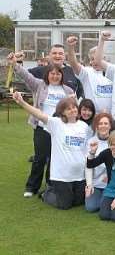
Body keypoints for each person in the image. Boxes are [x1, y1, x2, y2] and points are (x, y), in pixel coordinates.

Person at [8, 53, 74, 198]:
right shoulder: (39, 85)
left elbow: (72, 108)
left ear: (61, 76)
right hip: (42, 127)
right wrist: (15, 63)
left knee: (55, 158)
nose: (55, 76)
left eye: (58, 74)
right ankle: (32, 187)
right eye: (52, 73)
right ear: (47, 74)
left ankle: (51, 185)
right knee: (40, 157)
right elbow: (26, 76)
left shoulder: (67, 91)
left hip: (60, 128)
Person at [13, 93, 90, 209]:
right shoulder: (56, 123)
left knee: (79, 201)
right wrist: (22, 102)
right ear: (62, 112)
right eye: (68, 109)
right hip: (62, 175)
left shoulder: (83, 126)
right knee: (65, 204)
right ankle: (47, 193)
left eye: (74, 107)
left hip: (79, 175)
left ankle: (62, 192)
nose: (72, 110)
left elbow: (86, 149)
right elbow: (39, 114)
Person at [66, 36, 113, 113]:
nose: (95, 61)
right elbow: (73, 64)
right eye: (92, 59)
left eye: (97, 58)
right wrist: (71, 47)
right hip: (92, 116)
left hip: (111, 117)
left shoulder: (113, 72)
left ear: (104, 58)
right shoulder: (87, 73)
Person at [85, 113, 114, 212]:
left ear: (110, 126)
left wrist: (111, 176)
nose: (103, 126)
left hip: (111, 183)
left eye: (106, 123)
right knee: (90, 207)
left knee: (105, 207)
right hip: (96, 183)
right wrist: (89, 185)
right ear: (96, 126)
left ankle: (106, 199)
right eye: (100, 123)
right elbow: (88, 165)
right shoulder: (91, 142)